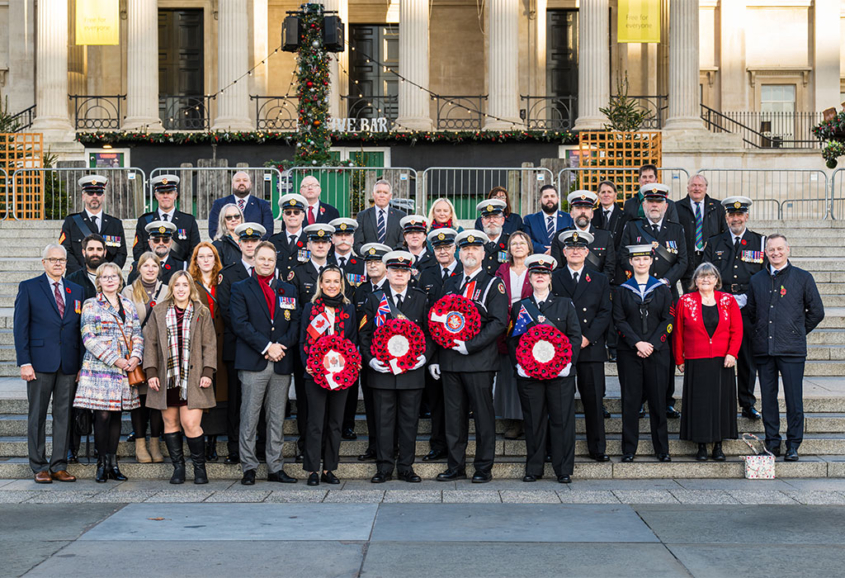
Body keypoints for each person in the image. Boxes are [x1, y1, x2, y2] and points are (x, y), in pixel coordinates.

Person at [431, 230, 509, 483]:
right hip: (451, 361)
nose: (470, 253)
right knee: (454, 418)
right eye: (465, 249)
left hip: (479, 361)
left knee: (483, 417)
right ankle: (455, 466)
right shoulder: (450, 284)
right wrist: (436, 358)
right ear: (459, 253)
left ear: (483, 253)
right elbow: (438, 322)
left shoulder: (493, 284)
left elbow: (499, 322)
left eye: (475, 249)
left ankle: (483, 467)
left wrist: (470, 345)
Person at [746, 234, 824, 461]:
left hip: (792, 351)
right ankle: (772, 442)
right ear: (765, 252)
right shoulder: (756, 280)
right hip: (764, 350)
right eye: (771, 249)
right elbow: (751, 312)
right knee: (768, 400)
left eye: (780, 248)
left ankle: (793, 444)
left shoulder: (803, 278)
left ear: (788, 250)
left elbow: (817, 312)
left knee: (793, 399)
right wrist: (760, 333)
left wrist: (797, 331)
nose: (776, 253)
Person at [230, 242, 300, 485]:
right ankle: (249, 467)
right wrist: (267, 347)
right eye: (262, 259)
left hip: (281, 361)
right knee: (249, 416)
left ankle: (275, 467)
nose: (266, 263)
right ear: (254, 260)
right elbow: (240, 323)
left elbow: (295, 323)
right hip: (254, 361)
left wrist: (279, 346)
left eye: (270, 259)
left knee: (276, 417)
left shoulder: (288, 289)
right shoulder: (241, 288)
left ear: (275, 261)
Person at [14, 244, 83, 484]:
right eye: (52, 259)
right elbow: (20, 328)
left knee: (64, 415)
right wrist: (24, 362)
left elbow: (79, 329)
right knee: (38, 415)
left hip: (68, 363)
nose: (57, 263)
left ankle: (59, 465)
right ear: (44, 262)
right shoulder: (29, 287)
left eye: (61, 259)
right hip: (39, 363)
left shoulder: (76, 290)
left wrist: (80, 364)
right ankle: (39, 466)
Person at [359, 250, 431, 483]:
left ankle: (406, 467)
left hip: (412, 373)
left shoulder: (420, 298)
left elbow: (429, 333)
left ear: (410, 274)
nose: (399, 274)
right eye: (395, 270)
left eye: (403, 270)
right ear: (387, 273)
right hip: (382, 373)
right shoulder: (374, 299)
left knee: (409, 423)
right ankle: (384, 467)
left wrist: (425, 357)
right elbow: (365, 334)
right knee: (383, 422)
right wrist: (371, 360)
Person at [509, 255, 581, 483]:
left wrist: (567, 364)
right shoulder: (520, 307)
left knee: (562, 421)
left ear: (550, 278)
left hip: (560, 375)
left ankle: (563, 469)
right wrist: (519, 365)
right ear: (529, 278)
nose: (540, 277)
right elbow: (513, 340)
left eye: (544, 273)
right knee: (534, 422)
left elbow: (574, 336)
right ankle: (534, 468)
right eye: (535, 274)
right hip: (530, 375)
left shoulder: (565, 304)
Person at [619, 183, 688, 418]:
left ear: (666, 206)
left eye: (659, 202)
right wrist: (644, 279)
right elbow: (623, 257)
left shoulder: (676, 229)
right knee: (639, 345)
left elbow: (683, 261)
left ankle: (666, 400)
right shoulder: (633, 227)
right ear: (644, 205)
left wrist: (664, 282)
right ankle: (639, 399)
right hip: (638, 294)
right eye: (650, 202)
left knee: (664, 348)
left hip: (666, 294)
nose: (655, 205)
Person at [143, 271, 217, 484]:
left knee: (190, 423)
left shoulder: (201, 311)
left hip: (193, 377)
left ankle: (199, 469)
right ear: (172, 288)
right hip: (166, 376)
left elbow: (209, 344)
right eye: (177, 285)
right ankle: (179, 469)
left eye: (185, 285)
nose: (181, 289)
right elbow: (151, 343)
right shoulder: (159, 311)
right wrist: (151, 372)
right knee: (170, 422)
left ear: (190, 287)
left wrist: (208, 372)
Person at [74, 263, 144, 483]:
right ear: (99, 281)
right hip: (100, 370)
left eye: (114, 276)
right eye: (105, 277)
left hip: (124, 370)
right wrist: (115, 359)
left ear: (120, 280)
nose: (110, 280)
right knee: (102, 415)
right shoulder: (91, 304)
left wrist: (136, 357)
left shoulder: (128, 304)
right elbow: (88, 337)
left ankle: (113, 465)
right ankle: (101, 464)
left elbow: (137, 334)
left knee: (116, 415)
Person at [703, 196, 766, 419]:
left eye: (740, 214)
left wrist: (751, 299)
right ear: (726, 217)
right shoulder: (714, 242)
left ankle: (747, 403)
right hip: (720, 305)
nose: (735, 218)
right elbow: (706, 274)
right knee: (719, 355)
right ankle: (720, 400)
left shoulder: (760, 242)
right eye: (731, 214)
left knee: (747, 358)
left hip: (749, 307)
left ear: (746, 216)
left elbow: (765, 275)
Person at [551, 230, 612, 462]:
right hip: (561, 348)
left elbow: (605, 312)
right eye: (570, 248)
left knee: (594, 402)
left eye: (579, 248)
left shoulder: (599, 279)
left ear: (587, 252)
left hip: (591, 347)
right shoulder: (554, 277)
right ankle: (556, 449)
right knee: (559, 404)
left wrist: (586, 338)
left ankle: (597, 448)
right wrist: (566, 341)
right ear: (564, 252)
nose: (575, 251)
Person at [673, 263, 742, 461]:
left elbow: (737, 329)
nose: (706, 280)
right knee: (700, 403)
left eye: (710, 276)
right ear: (695, 281)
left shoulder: (728, 300)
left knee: (720, 402)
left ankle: (718, 446)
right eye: (701, 276)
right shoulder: (685, 301)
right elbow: (678, 332)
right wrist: (679, 358)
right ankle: (701, 446)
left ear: (717, 280)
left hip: (722, 360)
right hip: (696, 359)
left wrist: (732, 353)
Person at [613, 245, 674, 463]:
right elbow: (618, 320)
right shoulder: (622, 290)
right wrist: (637, 343)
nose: (641, 263)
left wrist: (653, 344)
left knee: (658, 401)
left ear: (651, 261)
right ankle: (629, 449)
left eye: (645, 259)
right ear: (630, 262)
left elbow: (668, 319)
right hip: (630, 352)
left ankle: (662, 449)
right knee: (630, 401)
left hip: (657, 352)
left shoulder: (662, 289)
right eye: (636, 259)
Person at [300, 266, 358, 486]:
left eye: (336, 281)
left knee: (335, 423)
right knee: (315, 423)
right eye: (328, 281)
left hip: (341, 375)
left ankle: (329, 469)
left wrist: (352, 365)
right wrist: (307, 364)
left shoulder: (349, 309)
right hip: (315, 375)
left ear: (341, 284)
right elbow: (303, 340)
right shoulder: (310, 308)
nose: (332, 285)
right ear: (321, 284)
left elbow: (352, 341)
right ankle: (312, 470)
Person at [217, 223, 266, 464]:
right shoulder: (228, 274)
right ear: (239, 243)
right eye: (245, 241)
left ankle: (261, 447)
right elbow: (228, 313)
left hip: (263, 348)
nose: (249, 245)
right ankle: (235, 448)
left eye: (254, 241)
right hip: (237, 346)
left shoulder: (268, 272)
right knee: (236, 401)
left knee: (263, 403)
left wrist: (262, 340)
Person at [289, 222, 336, 459]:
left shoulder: (338, 273)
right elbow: (294, 313)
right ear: (308, 245)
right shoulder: (297, 273)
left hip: (335, 354)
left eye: (324, 241)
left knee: (331, 403)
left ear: (330, 244)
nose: (320, 245)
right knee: (306, 402)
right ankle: (305, 445)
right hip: (307, 351)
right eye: (315, 242)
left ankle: (327, 448)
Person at [417, 229, 462, 462]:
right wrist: (430, 357)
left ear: (455, 248)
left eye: (447, 247)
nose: (443, 251)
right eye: (438, 248)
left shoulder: (464, 272)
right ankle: (437, 445)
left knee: (459, 404)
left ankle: (458, 447)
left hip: (461, 349)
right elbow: (423, 315)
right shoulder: (426, 274)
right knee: (436, 401)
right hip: (434, 348)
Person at [121, 252, 167, 464]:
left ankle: (155, 443)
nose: (150, 269)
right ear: (139, 268)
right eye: (146, 266)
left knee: (156, 399)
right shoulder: (129, 291)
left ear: (159, 269)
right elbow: (125, 323)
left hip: (161, 352)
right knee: (139, 400)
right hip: (137, 352)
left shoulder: (167, 290)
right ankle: (140, 444)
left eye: (154, 266)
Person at [349, 242, 393, 461]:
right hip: (368, 357)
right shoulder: (361, 290)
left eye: (377, 262)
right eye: (369, 262)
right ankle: (374, 446)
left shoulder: (393, 287)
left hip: (392, 357)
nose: (373, 265)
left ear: (386, 265)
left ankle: (392, 446)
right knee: (371, 404)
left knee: (390, 407)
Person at [189, 242, 228, 462]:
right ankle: (201, 440)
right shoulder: (190, 284)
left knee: (219, 391)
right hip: (198, 346)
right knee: (201, 389)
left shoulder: (223, 282)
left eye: (209, 256)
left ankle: (213, 441)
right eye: (201, 256)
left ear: (215, 259)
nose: (205, 260)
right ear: (195, 261)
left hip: (221, 344)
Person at [493, 231, 533, 439]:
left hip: (530, 328)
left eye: (522, 243)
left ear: (529, 247)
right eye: (514, 243)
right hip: (506, 328)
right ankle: (513, 420)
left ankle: (529, 419)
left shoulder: (536, 269)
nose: (518, 246)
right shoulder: (501, 270)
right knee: (509, 376)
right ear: (509, 248)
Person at [60, 175, 127, 274]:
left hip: (107, 278)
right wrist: (83, 274)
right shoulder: (71, 222)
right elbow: (65, 251)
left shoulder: (115, 224)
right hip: (78, 277)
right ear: (83, 196)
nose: (95, 196)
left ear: (103, 197)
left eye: (99, 193)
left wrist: (108, 272)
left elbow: (121, 254)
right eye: (90, 192)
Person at [594, 180, 629, 364]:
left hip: (618, 269)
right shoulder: (592, 215)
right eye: (603, 192)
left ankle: (614, 347)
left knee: (615, 309)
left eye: (609, 191)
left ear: (616, 195)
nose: (606, 195)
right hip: (596, 268)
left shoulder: (625, 216)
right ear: (598, 195)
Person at [133, 174, 201, 262]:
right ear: (156, 195)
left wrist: (184, 268)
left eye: (169, 192)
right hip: (153, 268)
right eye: (161, 193)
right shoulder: (144, 221)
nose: (165, 196)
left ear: (175, 195)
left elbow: (195, 251)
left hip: (180, 269)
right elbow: (138, 251)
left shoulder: (188, 221)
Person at [676, 174, 726, 293]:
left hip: (711, 259)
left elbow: (724, 233)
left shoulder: (718, 207)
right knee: (690, 298)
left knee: (709, 296)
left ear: (705, 188)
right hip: (688, 260)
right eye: (693, 185)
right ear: (688, 188)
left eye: (700, 185)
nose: (697, 188)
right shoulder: (677, 207)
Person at [551, 190, 616, 280]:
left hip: (597, 287)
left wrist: (597, 285)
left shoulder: (605, 237)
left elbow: (610, 268)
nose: (583, 212)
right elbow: (557, 269)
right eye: (578, 208)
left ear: (592, 214)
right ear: (571, 214)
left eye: (587, 208)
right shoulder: (560, 237)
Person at [208, 171, 274, 240]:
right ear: (232, 184)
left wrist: (253, 244)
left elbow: (268, 231)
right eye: (238, 180)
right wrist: (230, 244)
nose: (241, 183)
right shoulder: (219, 204)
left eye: (245, 180)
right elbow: (213, 230)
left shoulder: (263, 205)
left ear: (250, 184)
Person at [353, 179, 407, 254]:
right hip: (369, 259)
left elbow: (402, 242)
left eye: (385, 193)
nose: (382, 195)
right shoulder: (362, 216)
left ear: (390, 196)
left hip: (392, 259)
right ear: (373, 194)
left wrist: (390, 256)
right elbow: (357, 244)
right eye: (378, 192)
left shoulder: (401, 216)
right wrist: (371, 256)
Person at [522, 184, 574, 254]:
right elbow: (527, 240)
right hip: (539, 257)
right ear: (540, 200)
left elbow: (572, 239)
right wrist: (546, 249)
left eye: (552, 196)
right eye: (546, 196)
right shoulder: (530, 219)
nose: (549, 199)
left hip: (563, 258)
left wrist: (555, 249)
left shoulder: (569, 218)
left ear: (558, 199)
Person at [270, 193, 309, 280]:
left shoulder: (309, 241)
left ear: (303, 216)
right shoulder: (273, 241)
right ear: (283, 217)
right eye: (288, 212)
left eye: (296, 212)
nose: (292, 215)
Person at [329, 217, 365, 296]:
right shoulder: (325, 262)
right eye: (339, 235)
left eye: (347, 235)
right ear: (332, 240)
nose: (343, 238)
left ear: (352, 240)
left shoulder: (363, 264)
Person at [478, 199, 511, 276]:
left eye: (495, 217)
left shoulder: (510, 242)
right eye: (487, 217)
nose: (491, 221)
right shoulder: (478, 243)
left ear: (502, 220)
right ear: (482, 221)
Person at [66, 234, 104, 300]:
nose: (95, 253)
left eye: (99, 249)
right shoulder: (72, 280)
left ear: (105, 252)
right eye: (91, 249)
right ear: (84, 252)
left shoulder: (115, 279)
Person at [211, 202, 244, 267]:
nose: (233, 219)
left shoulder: (250, 240)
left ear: (241, 218)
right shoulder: (217, 245)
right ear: (223, 221)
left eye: (237, 216)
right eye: (229, 217)